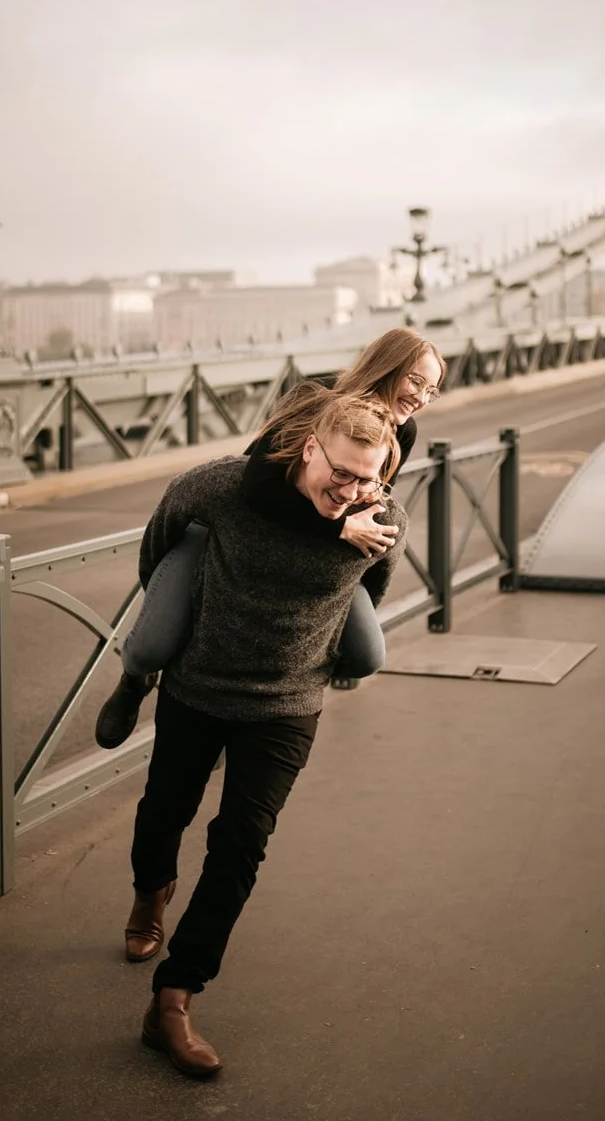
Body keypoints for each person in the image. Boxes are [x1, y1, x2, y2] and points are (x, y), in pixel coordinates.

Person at [123, 390, 408, 1077]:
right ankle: (151, 887)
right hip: (199, 686)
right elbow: (162, 537)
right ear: (309, 447)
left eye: (366, 478)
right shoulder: (223, 487)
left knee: (240, 845)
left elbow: (373, 588)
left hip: (285, 705)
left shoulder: (379, 518)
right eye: (339, 472)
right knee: (166, 809)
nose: (349, 492)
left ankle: (175, 996)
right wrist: (168, 611)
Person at [94, 328, 445, 746]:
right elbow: (256, 485)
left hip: (310, 547)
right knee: (148, 647)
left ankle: (270, 708)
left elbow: (364, 503)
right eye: (417, 381)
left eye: (433, 390)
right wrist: (339, 527)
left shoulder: (402, 434)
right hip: (231, 530)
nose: (422, 398)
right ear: (389, 366)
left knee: (367, 655)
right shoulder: (316, 397)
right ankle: (136, 683)